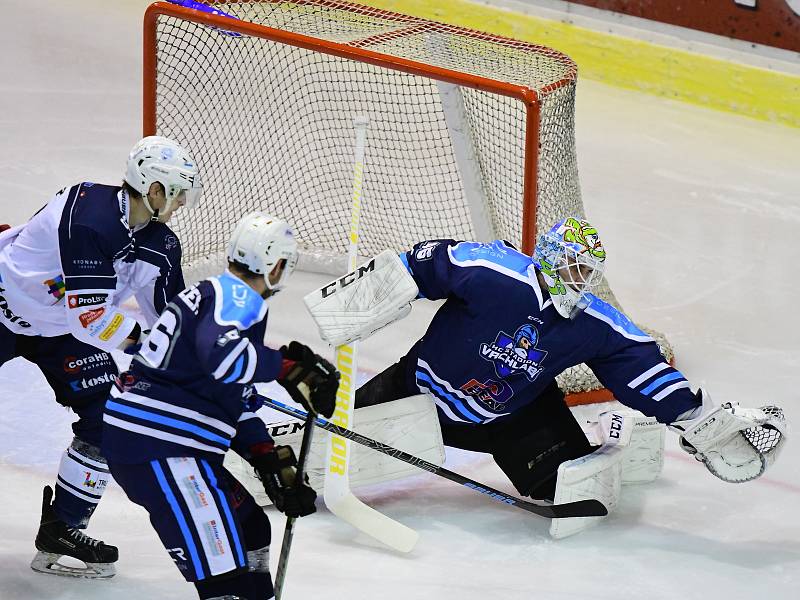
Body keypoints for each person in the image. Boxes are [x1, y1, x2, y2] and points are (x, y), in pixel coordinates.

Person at [350, 217, 786, 508]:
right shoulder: (492, 271)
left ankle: (610, 439)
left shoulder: (591, 322)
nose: (580, 281)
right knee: (329, 447)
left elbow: (639, 367)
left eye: (587, 272)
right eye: (574, 267)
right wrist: (355, 303)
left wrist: (697, 414)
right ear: (552, 256)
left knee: (573, 499)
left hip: (511, 421)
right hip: (413, 391)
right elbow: (421, 265)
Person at [102, 212, 339, 600]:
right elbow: (222, 356)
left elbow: (232, 392)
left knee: (251, 529)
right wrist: (286, 367)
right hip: (163, 449)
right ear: (276, 265)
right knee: (223, 578)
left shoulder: (216, 295)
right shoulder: (239, 297)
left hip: (163, 443)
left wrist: (266, 456)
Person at [0, 135, 202, 577]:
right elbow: (91, 319)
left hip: (55, 330)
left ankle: (63, 527)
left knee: (107, 416)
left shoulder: (160, 246)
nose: (184, 201)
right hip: (4, 305)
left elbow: (172, 321)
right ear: (153, 190)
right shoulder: (89, 215)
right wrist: (146, 345)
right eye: (178, 191)